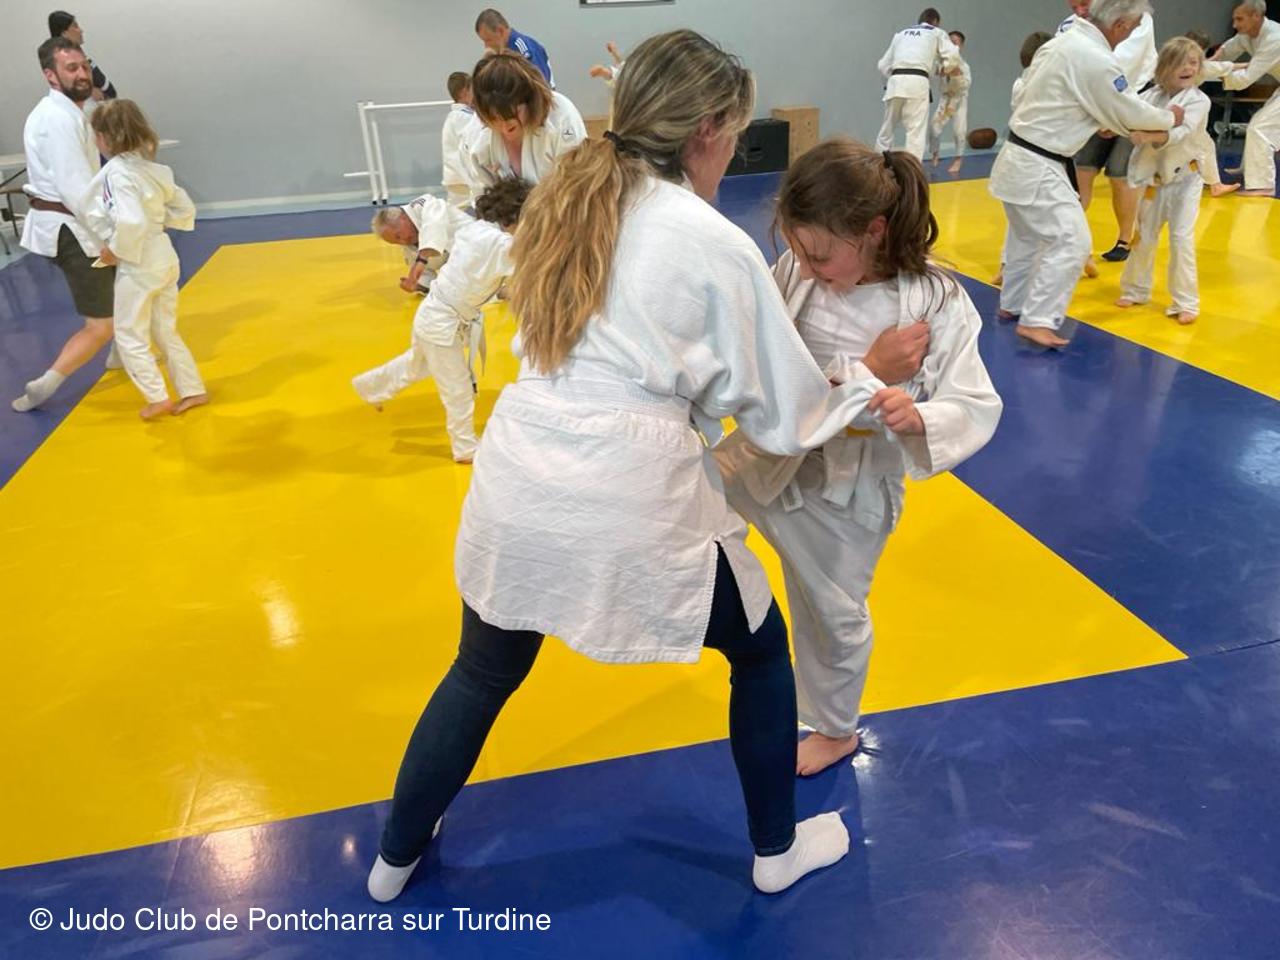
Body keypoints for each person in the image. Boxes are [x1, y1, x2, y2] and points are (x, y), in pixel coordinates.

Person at [366, 29, 887, 905]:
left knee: (482, 671)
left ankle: (392, 859)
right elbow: (786, 416)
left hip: (519, 471)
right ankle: (776, 849)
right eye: (734, 137)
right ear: (710, 131)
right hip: (623, 485)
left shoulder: (564, 200)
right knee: (762, 652)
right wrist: (865, 381)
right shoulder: (709, 238)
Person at [715, 139, 1001, 776]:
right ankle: (726, 623)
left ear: (874, 231)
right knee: (689, 495)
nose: (805, 266)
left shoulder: (932, 301)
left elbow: (975, 401)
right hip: (774, 446)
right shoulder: (796, 272)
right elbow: (762, 362)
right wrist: (867, 370)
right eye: (796, 250)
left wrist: (920, 416)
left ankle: (836, 728)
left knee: (833, 613)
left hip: (849, 485)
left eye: (819, 255)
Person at [989, 0, 1183, 349]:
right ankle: (1037, 320)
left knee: (1025, 238)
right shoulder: (1095, 57)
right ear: (1120, 24)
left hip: (1017, 156)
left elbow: (1057, 99)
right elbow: (1127, 110)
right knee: (1072, 241)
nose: (1131, 34)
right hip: (1038, 165)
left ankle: (1013, 304)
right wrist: (1170, 118)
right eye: (1132, 27)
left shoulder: (1061, 42)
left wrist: (1098, 120)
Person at [352, 178, 529, 463]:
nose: (403, 243)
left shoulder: (469, 228)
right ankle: (464, 447)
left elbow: (483, 271)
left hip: (435, 314)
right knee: (458, 389)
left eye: (398, 237)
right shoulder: (497, 243)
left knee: (417, 365)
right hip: (441, 322)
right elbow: (530, 261)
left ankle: (370, 387)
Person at [83, 100, 206, 419]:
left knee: (129, 334)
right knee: (165, 330)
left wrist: (115, 249)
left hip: (138, 262)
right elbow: (185, 208)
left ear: (102, 138)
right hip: (164, 255)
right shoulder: (156, 170)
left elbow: (131, 221)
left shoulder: (118, 174)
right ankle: (192, 389)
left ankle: (157, 396)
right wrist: (158, 224)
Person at [12, 37, 115, 413]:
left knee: (128, 290)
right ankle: (44, 386)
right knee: (101, 325)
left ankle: (121, 357)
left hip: (75, 220)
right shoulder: (57, 119)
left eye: (84, 66)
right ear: (51, 75)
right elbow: (75, 188)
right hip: (73, 228)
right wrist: (110, 235)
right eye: (71, 69)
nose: (82, 74)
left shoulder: (72, 112)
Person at [1116, 38, 1211, 324]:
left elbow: (1181, 133)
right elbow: (1129, 113)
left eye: (1193, 63)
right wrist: (1114, 125)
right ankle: (1136, 289)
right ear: (1164, 68)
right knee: (1144, 235)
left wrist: (1147, 135)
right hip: (1155, 181)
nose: (1187, 68)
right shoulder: (1151, 96)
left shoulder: (1199, 100)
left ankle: (1186, 301)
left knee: (1181, 238)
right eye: (1180, 63)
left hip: (1187, 179)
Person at [459, 52, 586, 203]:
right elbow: (482, 199)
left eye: (513, 115)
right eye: (494, 119)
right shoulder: (475, 137)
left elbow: (577, 188)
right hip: (506, 216)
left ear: (531, 101)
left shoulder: (560, 117)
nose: (505, 127)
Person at [1204, 0, 1280, 197]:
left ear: (1256, 16)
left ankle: (1264, 184)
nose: (1235, 24)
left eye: (1240, 19)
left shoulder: (1274, 38)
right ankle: (1251, 170)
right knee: (1258, 124)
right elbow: (1226, 51)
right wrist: (1204, 65)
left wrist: (1213, 73)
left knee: (1260, 129)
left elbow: (1245, 79)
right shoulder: (1246, 35)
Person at [876, 9, 961, 160]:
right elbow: (953, 55)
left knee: (886, 130)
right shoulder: (936, 32)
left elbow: (882, 65)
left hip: (895, 82)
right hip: (918, 82)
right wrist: (945, 69)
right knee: (915, 133)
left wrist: (892, 81)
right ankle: (912, 171)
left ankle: (878, 165)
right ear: (935, 22)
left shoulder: (900, 34)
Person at [370, 194, 472, 294]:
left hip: (475, 245)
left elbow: (434, 226)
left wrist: (422, 259)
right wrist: (417, 284)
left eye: (398, 236)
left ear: (403, 218)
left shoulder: (425, 204)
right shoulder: (409, 245)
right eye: (396, 242)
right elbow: (425, 272)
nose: (403, 242)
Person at [1185, 30, 1240, 197]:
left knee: (1188, 143)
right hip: (1188, 106)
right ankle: (1215, 185)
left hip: (1166, 104)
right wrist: (1256, 65)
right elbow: (1228, 67)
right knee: (1203, 144)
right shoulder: (1200, 66)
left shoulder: (1171, 59)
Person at [474, 8, 555, 88]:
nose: (486, 46)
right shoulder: (503, 51)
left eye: (488, 40)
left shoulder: (522, 48)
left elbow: (541, 83)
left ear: (500, 31)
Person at [48, 11, 116, 101]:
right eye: (75, 26)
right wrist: (89, 91)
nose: (81, 30)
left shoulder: (78, 54)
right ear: (64, 34)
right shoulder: (63, 61)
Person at [929, 30, 971, 174]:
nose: (952, 45)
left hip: (959, 99)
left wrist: (956, 75)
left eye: (955, 42)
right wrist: (942, 70)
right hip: (945, 99)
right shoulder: (941, 62)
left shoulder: (964, 66)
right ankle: (935, 154)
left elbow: (966, 84)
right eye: (950, 42)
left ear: (961, 46)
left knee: (959, 130)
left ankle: (958, 159)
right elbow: (934, 71)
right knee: (934, 127)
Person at [442, 72, 475, 207]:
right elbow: (470, 146)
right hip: (462, 177)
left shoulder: (458, 116)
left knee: (455, 210)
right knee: (461, 210)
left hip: (457, 176)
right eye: (473, 89)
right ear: (463, 92)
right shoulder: (462, 117)